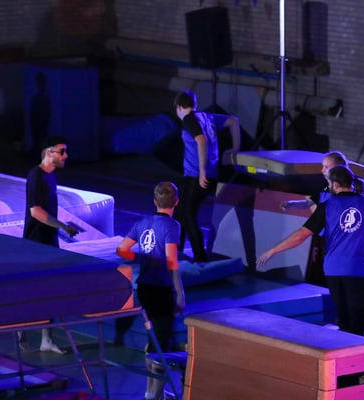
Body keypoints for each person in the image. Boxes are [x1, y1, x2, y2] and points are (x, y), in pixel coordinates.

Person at [257, 165, 364, 337]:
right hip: (358, 271)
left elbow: (301, 235)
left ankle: (345, 347)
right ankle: (357, 350)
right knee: (360, 321)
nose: (328, 187)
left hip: (333, 270)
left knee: (344, 319)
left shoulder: (327, 206)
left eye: (329, 183)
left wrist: (273, 251)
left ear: (336, 185)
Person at [116, 181, 185, 400]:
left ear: (155, 201)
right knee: (161, 343)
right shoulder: (172, 226)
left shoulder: (142, 223)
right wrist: (180, 292)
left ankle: (150, 390)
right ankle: (156, 394)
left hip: (144, 288)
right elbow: (171, 260)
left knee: (152, 337)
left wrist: (141, 257)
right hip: (161, 289)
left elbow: (121, 250)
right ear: (176, 202)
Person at [21, 135, 80, 354]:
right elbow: (35, 211)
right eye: (61, 151)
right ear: (49, 152)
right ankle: (20, 330)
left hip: (49, 241)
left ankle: (46, 338)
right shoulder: (36, 176)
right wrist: (63, 227)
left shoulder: (50, 176)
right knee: (32, 290)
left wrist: (61, 230)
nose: (66, 155)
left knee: (51, 289)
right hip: (36, 244)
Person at [173, 90, 240, 262]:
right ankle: (177, 250)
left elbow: (201, 140)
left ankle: (200, 256)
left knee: (187, 215)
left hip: (196, 176)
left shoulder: (188, 119)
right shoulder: (207, 117)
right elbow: (234, 121)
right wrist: (235, 148)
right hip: (208, 174)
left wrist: (202, 170)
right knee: (179, 212)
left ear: (179, 107)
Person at [280, 151, 348, 285]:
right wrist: (291, 204)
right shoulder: (325, 188)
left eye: (326, 167)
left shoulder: (346, 190)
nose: (322, 170)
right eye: (323, 166)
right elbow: (308, 203)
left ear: (338, 168)